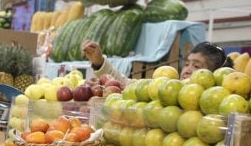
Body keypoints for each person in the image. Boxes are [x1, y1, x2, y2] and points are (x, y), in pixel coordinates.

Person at [81, 40, 233, 83]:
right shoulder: (167, 89)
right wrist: (99, 62)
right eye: (187, 64)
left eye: (197, 66)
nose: (187, 69)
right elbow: (126, 84)